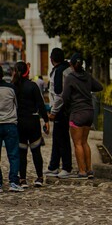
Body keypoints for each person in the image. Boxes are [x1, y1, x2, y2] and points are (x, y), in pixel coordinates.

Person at [58, 53, 103, 179]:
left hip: (77, 113)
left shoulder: (70, 78)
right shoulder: (87, 76)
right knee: (84, 142)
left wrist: (67, 108)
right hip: (89, 112)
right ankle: (89, 170)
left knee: (77, 143)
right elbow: (99, 87)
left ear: (71, 64)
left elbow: (65, 97)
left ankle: (82, 171)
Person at [12, 61, 49, 188]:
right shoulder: (33, 86)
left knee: (22, 152)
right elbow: (40, 104)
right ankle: (39, 177)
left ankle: (22, 179)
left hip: (19, 122)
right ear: (27, 72)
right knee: (36, 150)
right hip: (33, 121)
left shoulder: (14, 87)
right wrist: (46, 120)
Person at [44, 48, 73, 178]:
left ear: (52, 59)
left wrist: (53, 111)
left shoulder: (59, 71)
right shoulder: (67, 68)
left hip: (61, 110)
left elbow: (58, 94)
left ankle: (66, 167)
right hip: (66, 108)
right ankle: (53, 166)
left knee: (62, 139)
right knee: (57, 138)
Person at [0, 64, 24, 192]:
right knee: (14, 155)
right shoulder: (11, 88)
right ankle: (14, 181)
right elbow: (17, 105)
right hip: (10, 124)